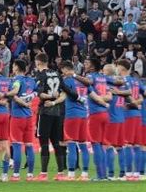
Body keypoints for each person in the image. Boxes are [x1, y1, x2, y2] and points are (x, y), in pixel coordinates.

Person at [33, 53, 67, 181]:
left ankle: (43, 174)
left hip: (46, 111)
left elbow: (40, 94)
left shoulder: (40, 75)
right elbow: (64, 92)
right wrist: (55, 98)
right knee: (56, 142)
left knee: (44, 141)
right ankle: (60, 174)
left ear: (38, 62)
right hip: (57, 112)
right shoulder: (57, 73)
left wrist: (50, 96)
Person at [60, 59, 91, 181]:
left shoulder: (67, 81)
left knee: (71, 144)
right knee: (83, 145)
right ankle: (84, 174)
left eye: (62, 70)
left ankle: (71, 174)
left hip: (71, 114)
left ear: (65, 69)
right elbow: (90, 94)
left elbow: (64, 95)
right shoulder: (82, 81)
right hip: (83, 115)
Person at [7, 59, 38, 181]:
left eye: (13, 66)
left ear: (16, 67)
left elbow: (14, 93)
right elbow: (37, 91)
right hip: (29, 117)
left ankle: (16, 175)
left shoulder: (16, 80)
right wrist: (29, 99)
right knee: (29, 146)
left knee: (17, 145)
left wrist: (7, 95)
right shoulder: (31, 80)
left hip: (18, 116)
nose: (12, 68)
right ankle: (30, 175)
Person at [122, 64, 144, 181]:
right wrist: (137, 103)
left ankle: (129, 173)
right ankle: (137, 174)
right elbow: (142, 97)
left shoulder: (124, 81)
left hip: (129, 115)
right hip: (137, 115)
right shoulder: (136, 82)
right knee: (137, 146)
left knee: (128, 145)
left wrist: (130, 103)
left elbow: (127, 95)